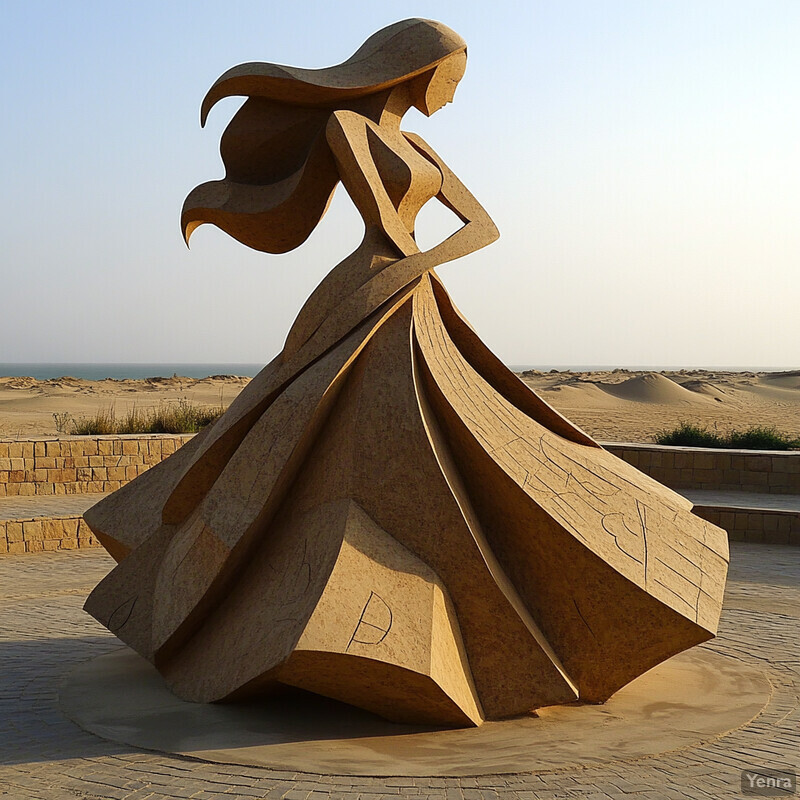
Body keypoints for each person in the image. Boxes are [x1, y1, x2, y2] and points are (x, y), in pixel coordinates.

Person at [85, 19, 728, 728]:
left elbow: (483, 226)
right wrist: (412, 267)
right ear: (415, 67)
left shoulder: (420, 147)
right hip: (369, 284)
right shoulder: (345, 128)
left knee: (488, 426)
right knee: (314, 416)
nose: (452, 93)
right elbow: (385, 227)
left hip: (414, 286)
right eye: (450, 75)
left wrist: (426, 267)